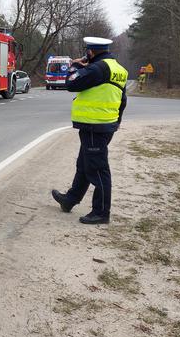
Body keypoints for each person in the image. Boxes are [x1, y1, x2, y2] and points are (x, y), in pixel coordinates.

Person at [51, 36, 128, 224]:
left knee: (98, 169)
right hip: (104, 124)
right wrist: (116, 122)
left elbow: (71, 83)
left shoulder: (98, 68)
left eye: (87, 51)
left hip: (95, 125)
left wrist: (75, 66)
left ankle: (101, 212)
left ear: (90, 52)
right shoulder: (119, 69)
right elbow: (122, 100)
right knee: (84, 164)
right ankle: (70, 199)